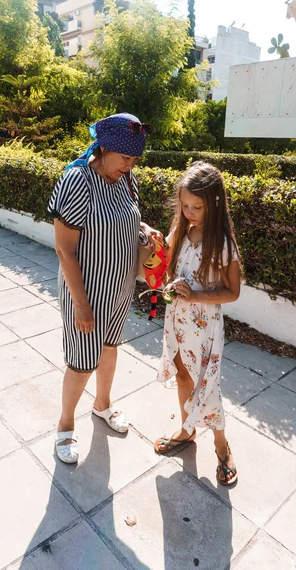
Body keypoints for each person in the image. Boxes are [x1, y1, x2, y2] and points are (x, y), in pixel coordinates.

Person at [48, 112, 161, 464]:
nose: (129, 166)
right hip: (86, 292)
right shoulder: (77, 180)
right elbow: (64, 249)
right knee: (82, 363)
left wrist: (145, 233)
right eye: (124, 158)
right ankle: (65, 425)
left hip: (120, 287)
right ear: (103, 147)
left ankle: (103, 405)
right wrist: (81, 306)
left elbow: (125, 217)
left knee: (110, 348)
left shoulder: (128, 180)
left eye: (134, 160)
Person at [155, 162, 241, 486]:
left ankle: (221, 445)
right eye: (185, 205)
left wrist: (195, 296)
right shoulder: (179, 232)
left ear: (214, 203)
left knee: (208, 385)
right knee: (181, 374)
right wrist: (167, 284)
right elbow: (169, 272)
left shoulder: (222, 244)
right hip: (176, 320)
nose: (190, 212)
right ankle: (187, 431)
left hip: (205, 325)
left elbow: (232, 291)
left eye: (197, 207)